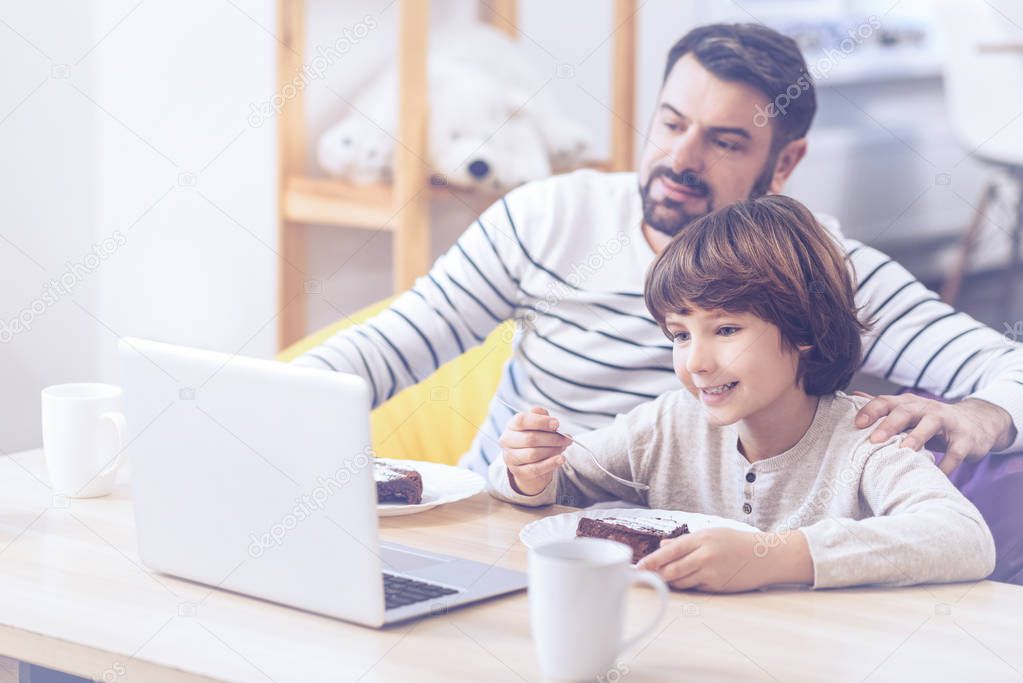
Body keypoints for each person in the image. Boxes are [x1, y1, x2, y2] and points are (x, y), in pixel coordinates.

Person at [293, 23, 1023, 581]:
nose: (680, 158)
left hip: (697, 581)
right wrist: (269, 409)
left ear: (785, 163)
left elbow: (1002, 378)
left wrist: (985, 412)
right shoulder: (547, 217)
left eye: (724, 142)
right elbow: (386, 347)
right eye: (672, 124)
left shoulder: (818, 268)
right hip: (513, 543)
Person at [490, 195, 996, 591]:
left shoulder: (867, 439)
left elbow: (964, 538)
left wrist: (772, 557)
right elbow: (559, 481)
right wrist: (528, 471)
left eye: (726, 329)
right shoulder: (667, 427)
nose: (697, 362)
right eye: (681, 334)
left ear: (804, 328)